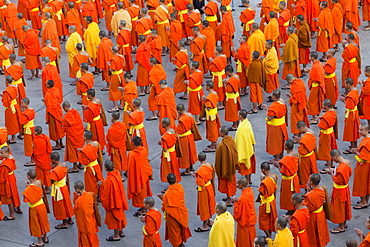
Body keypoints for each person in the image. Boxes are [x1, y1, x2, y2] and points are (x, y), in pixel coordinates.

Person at [157, 173, 192, 246]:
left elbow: (166, 205)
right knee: (180, 229)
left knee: (174, 232)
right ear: (176, 180)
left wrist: (162, 198)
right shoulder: (180, 187)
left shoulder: (167, 194)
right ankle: (181, 244)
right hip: (182, 213)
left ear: (167, 181)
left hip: (172, 216)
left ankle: (177, 245)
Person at [100, 160, 128, 242]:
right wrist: (103, 183)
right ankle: (121, 232)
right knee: (120, 215)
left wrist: (102, 189)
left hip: (114, 202)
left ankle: (116, 235)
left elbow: (107, 194)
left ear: (105, 168)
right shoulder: (117, 173)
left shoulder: (109, 180)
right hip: (120, 199)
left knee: (114, 217)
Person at [22, 169, 50, 247]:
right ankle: (45, 237)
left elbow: (27, 199)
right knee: (43, 221)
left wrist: (27, 188)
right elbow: (36, 189)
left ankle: (40, 242)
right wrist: (29, 186)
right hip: (42, 205)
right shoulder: (39, 182)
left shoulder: (28, 189)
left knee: (36, 224)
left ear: (28, 177)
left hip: (34, 208)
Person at [127, 137, 153, 216]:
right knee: (144, 191)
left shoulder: (131, 154)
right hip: (144, 174)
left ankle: (144, 209)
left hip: (137, 176)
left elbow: (130, 167)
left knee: (140, 193)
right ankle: (144, 207)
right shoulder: (144, 150)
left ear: (133, 143)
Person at [328, 149, 352, 234]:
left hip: (340, 190)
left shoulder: (341, 168)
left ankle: (341, 226)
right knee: (344, 206)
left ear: (335, 156)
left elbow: (337, 180)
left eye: (333, 159)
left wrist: (331, 173)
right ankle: (344, 224)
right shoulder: (347, 162)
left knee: (340, 208)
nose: (333, 161)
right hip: (345, 188)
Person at [303, 173, 330, 246]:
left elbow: (306, 207)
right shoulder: (322, 189)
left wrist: (308, 191)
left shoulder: (309, 195)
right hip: (321, 214)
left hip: (313, 216)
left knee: (313, 234)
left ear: (311, 182)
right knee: (321, 232)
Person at [274, 139, 299, 214]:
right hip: (295, 177)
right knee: (294, 193)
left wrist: (277, 166)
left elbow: (284, 173)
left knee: (288, 196)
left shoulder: (285, 159)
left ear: (285, 147)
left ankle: (290, 210)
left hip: (288, 181)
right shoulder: (295, 154)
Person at [50, 152, 74, 229]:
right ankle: (70, 219)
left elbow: (52, 181)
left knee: (60, 205)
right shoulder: (64, 165)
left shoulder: (55, 171)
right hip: (64, 187)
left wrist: (52, 170)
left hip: (58, 190)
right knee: (67, 203)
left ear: (53, 160)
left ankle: (64, 222)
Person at [193, 152, 216, 232]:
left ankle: (204, 226)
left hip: (203, 190)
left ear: (198, 159)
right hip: (209, 187)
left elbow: (200, 182)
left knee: (204, 207)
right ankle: (210, 220)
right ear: (205, 158)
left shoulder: (200, 171)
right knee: (209, 203)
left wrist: (195, 177)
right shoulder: (209, 165)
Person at [73, 181, 101, 247]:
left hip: (84, 224)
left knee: (85, 241)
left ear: (77, 189)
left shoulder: (79, 201)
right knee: (93, 239)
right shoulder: (91, 195)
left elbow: (75, 211)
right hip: (91, 222)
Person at [215, 126, 238, 206]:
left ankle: (229, 200)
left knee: (227, 182)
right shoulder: (231, 140)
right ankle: (230, 197)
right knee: (231, 182)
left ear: (222, 133)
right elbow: (235, 153)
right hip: (232, 166)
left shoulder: (221, 146)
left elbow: (219, 158)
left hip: (226, 167)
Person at [265, 90, 288, 162]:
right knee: (281, 140)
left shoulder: (274, 106)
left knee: (276, 142)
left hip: (275, 126)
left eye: (272, 96)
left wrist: (267, 110)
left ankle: (276, 158)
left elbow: (270, 117)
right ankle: (281, 155)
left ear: (274, 97)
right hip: (282, 124)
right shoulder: (282, 101)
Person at [61, 101, 84, 173]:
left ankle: (75, 167)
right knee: (80, 149)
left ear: (65, 108)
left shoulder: (67, 117)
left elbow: (63, 125)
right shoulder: (76, 112)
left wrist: (63, 117)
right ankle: (80, 164)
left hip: (72, 136)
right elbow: (79, 122)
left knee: (73, 151)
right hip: (79, 134)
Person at [0, 146, 22, 220]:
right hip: (12, 178)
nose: (1, 155)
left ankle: (12, 214)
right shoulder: (11, 158)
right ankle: (19, 208)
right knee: (15, 193)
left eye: (2, 153)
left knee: (8, 196)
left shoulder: (5, 164)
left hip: (7, 181)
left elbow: (2, 177)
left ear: (6, 153)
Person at [176, 103, 198, 175]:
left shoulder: (182, 119)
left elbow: (179, 130)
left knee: (186, 154)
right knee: (190, 152)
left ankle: (187, 170)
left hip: (184, 138)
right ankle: (191, 167)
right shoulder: (190, 115)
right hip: (190, 136)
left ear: (179, 111)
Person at [234, 177, 256, 247]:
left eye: (238, 184)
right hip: (251, 218)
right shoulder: (249, 191)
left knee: (244, 242)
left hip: (245, 222)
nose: (237, 185)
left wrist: (236, 204)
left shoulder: (243, 198)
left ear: (241, 185)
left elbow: (239, 214)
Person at [235, 109, 256, 184]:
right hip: (249, 147)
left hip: (244, 149)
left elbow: (239, 140)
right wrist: (253, 145)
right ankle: (249, 179)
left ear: (240, 116)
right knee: (249, 164)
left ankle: (246, 181)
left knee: (246, 166)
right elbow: (251, 136)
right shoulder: (248, 123)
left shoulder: (241, 127)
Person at [316, 99, 338, 173]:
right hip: (331, 133)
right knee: (331, 148)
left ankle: (328, 167)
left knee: (326, 150)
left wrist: (319, 120)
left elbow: (320, 127)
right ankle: (331, 164)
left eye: (323, 105)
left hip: (326, 135)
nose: (322, 106)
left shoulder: (326, 116)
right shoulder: (333, 112)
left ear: (326, 106)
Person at [352, 123, 370, 209]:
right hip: (367, 165)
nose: (359, 132)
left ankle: (363, 202)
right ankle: (366, 200)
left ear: (367, 130)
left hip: (364, 166)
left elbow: (363, 158)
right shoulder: (367, 139)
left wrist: (356, 152)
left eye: (361, 130)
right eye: (359, 130)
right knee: (367, 183)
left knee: (362, 183)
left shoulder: (366, 142)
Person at [340, 78, 360, 153]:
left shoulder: (350, 95)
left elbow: (349, 106)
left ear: (348, 84)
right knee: (355, 129)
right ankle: (355, 145)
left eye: (345, 84)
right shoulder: (355, 90)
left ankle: (352, 147)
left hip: (351, 114)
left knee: (351, 130)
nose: (345, 85)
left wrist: (343, 101)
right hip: (355, 112)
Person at [258, 162, 278, 238]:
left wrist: (262, 181)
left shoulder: (264, 182)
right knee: (270, 219)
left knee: (262, 221)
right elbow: (274, 188)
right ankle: (269, 235)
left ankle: (269, 237)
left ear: (263, 170)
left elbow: (261, 192)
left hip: (265, 203)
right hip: (272, 200)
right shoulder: (274, 177)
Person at [286, 74, 308, 140]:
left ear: (290, 80)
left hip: (296, 106)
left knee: (294, 120)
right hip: (302, 104)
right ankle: (299, 135)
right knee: (300, 119)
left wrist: (290, 97)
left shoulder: (294, 86)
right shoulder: (300, 82)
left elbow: (295, 100)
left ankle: (296, 136)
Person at [43, 80, 64, 150]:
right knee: (59, 128)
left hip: (52, 113)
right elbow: (58, 99)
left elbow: (48, 104)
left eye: (47, 84)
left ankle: (57, 144)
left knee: (54, 129)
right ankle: (61, 143)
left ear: (48, 85)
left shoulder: (48, 94)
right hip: (58, 111)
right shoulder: (56, 90)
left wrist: (45, 100)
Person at [158, 118, 181, 183]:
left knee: (168, 169)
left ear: (165, 125)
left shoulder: (164, 137)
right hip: (173, 152)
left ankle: (170, 184)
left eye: (162, 123)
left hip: (167, 155)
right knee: (174, 167)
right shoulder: (173, 131)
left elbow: (165, 149)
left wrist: (161, 143)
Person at [296, 121, 317, 188]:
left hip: (305, 158)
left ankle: (307, 188)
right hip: (312, 155)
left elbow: (301, 150)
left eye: (299, 129)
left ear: (301, 128)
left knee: (305, 174)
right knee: (312, 170)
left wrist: (299, 142)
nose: (299, 131)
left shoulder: (305, 138)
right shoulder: (312, 132)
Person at [306, 51, 325, 124]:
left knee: (312, 102)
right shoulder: (318, 63)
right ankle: (317, 115)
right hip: (318, 86)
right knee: (317, 101)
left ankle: (314, 119)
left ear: (313, 57)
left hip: (315, 86)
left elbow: (314, 78)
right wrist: (310, 71)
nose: (309, 58)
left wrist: (310, 73)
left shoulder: (315, 67)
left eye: (310, 56)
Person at [32, 126, 52, 194]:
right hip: (46, 158)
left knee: (41, 174)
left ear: (35, 132)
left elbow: (36, 153)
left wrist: (32, 149)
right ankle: (47, 187)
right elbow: (49, 148)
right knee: (47, 174)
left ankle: (43, 187)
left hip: (40, 159)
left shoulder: (36, 140)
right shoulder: (45, 137)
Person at [2, 76, 21, 144]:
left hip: (10, 108)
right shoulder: (14, 88)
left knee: (11, 123)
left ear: (6, 81)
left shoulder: (7, 91)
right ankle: (16, 136)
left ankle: (13, 138)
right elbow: (16, 96)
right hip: (15, 105)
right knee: (15, 121)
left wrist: (4, 96)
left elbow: (6, 103)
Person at [203, 81, 221, 152]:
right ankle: (215, 143)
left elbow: (208, 108)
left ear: (207, 87)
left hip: (210, 116)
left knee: (212, 130)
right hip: (214, 114)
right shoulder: (215, 93)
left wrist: (205, 101)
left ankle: (213, 146)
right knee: (215, 128)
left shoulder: (209, 98)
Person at [107, 46, 124, 112]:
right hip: (121, 74)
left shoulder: (113, 59)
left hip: (115, 76)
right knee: (121, 89)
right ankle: (121, 105)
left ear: (113, 51)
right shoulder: (121, 57)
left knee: (113, 90)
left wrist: (109, 65)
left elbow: (112, 69)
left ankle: (115, 106)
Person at [19, 97, 35, 166]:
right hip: (32, 128)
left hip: (28, 130)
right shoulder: (31, 110)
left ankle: (32, 160)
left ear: (26, 104)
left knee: (29, 145)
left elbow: (22, 122)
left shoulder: (26, 113)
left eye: (22, 103)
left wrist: (21, 113)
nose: (21, 104)